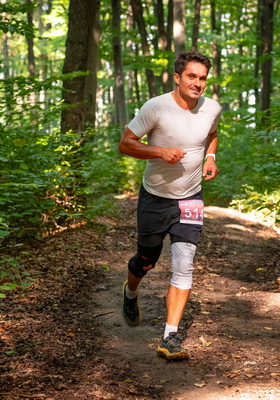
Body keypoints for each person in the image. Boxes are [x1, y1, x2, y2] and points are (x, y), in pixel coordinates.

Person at [118, 51, 221, 360]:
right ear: (177, 77)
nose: (198, 83)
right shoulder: (156, 107)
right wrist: (160, 151)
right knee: (146, 260)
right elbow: (125, 143)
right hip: (155, 197)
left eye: (203, 78)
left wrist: (210, 157)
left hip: (191, 197)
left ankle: (169, 336)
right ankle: (130, 292)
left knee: (184, 263)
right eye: (192, 76)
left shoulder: (212, 108)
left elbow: (212, 134)